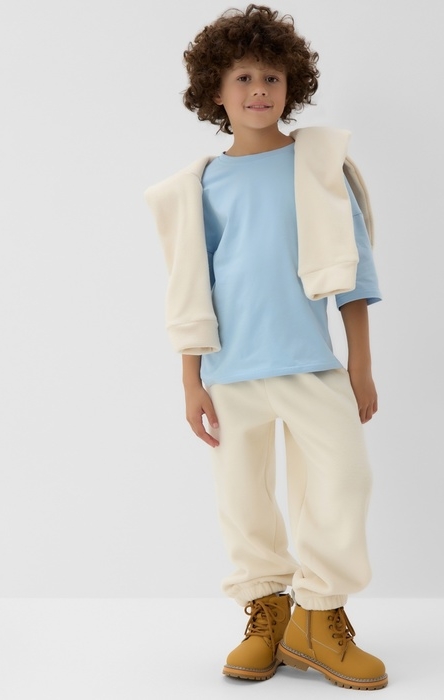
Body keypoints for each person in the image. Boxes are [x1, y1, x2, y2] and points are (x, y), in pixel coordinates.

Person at [144, 4, 388, 691]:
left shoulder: (319, 167)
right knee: (243, 498)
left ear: (292, 86)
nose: (259, 90)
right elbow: (190, 289)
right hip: (231, 372)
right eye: (244, 77)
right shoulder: (200, 187)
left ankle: (319, 614)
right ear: (215, 92)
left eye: (272, 77)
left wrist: (361, 365)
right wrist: (190, 380)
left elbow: (355, 274)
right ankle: (267, 612)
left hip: (311, 365)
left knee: (343, 480)